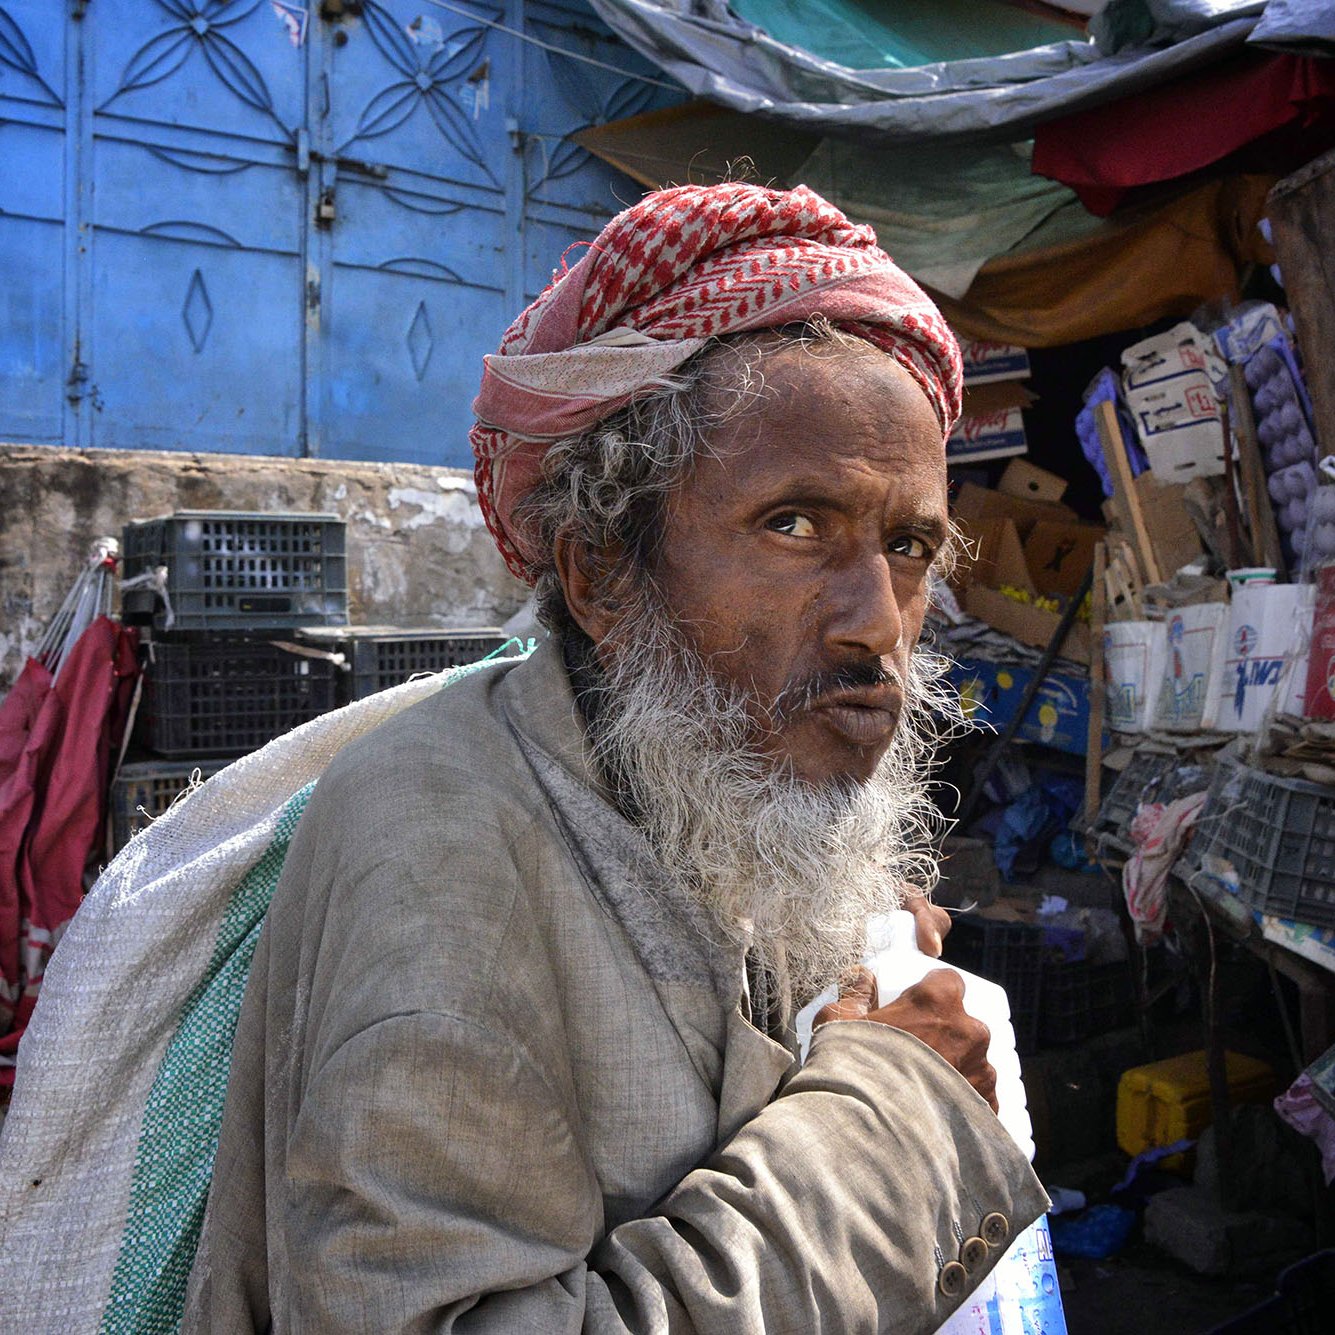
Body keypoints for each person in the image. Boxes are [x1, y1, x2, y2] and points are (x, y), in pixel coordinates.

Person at [186, 183, 1046, 1333]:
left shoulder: (686, 767)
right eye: (796, 525)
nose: (877, 620)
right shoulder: (441, 851)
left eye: (909, 546)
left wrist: (831, 959)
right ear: (601, 575)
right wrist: (893, 1104)